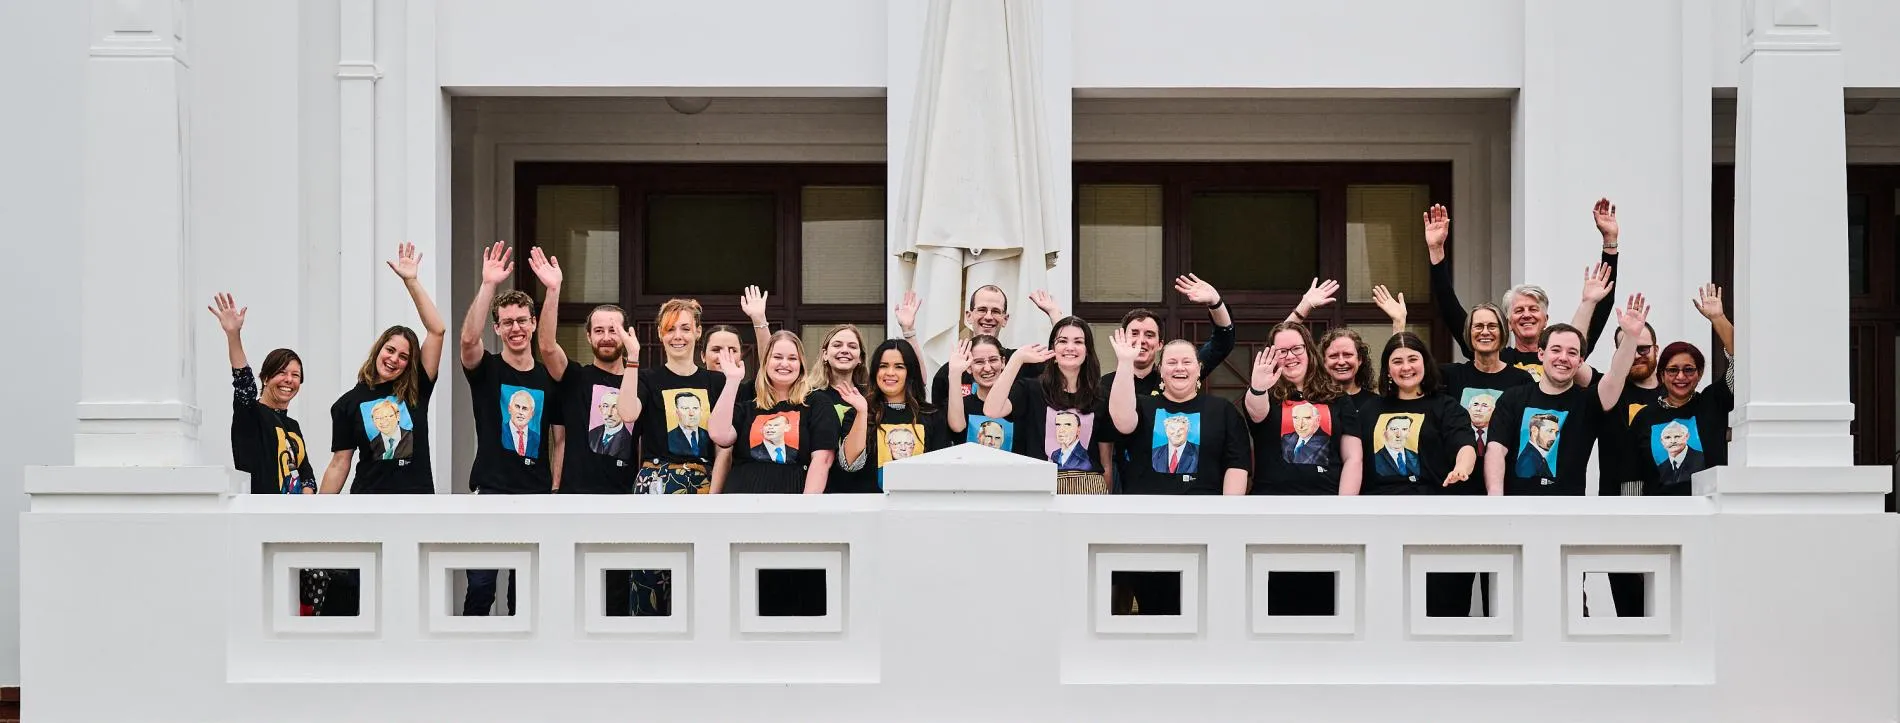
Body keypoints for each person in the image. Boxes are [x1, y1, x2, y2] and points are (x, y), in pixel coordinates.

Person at [211, 293, 357, 616]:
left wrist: (307, 490)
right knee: (283, 590)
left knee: (330, 579)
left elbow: (304, 471)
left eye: (296, 376)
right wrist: (233, 335)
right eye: (282, 373)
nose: (289, 381)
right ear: (266, 377)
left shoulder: (292, 425)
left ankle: (307, 632)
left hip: (295, 521)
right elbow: (243, 384)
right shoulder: (252, 414)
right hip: (264, 518)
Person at [458, 242, 564, 617]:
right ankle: (473, 665)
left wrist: (553, 290)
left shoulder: (548, 375)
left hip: (536, 496)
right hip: (490, 493)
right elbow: (468, 340)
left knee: (528, 595)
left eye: (523, 320)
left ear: (533, 323)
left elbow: (559, 438)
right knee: (481, 588)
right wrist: (488, 285)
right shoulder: (485, 369)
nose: (516, 328)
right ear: (498, 328)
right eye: (508, 322)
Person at [1424, 202, 1621, 381]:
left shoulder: (1562, 356)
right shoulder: (1496, 357)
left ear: (1546, 319)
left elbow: (1600, 305)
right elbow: (1450, 309)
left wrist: (1610, 243)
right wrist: (1436, 251)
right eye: (1519, 311)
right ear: (1508, 323)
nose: (1526, 315)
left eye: (1533, 309)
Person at [1484, 295, 1650, 496]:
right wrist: (1496, 501)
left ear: (1580, 361)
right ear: (1541, 354)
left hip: (1570, 514)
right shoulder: (1513, 398)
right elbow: (1496, 450)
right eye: (1556, 350)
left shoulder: (1588, 402)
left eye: (1572, 353)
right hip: (1517, 511)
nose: (1563, 358)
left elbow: (1616, 375)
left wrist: (1631, 337)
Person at [321, 243, 447, 495]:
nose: (393, 359)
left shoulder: (417, 388)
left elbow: (437, 330)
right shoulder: (348, 403)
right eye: (390, 350)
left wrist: (411, 281)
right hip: (368, 504)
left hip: (416, 501)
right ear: (379, 349)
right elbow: (339, 464)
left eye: (403, 356)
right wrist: (316, 518)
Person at [528, 248, 639, 497]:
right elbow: (546, 346)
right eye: (599, 331)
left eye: (614, 330)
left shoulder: (640, 382)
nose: (607, 338)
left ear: (628, 335)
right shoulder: (575, 377)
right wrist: (553, 290)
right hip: (576, 498)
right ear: (588, 336)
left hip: (627, 499)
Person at [1108, 333, 1251, 495]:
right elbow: (1122, 421)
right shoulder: (1141, 405)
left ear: (1198, 369)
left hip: (1204, 511)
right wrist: (1125, 362)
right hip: (1148, 510)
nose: (1179, 367)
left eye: (1187, 362)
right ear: (1160, 370)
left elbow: (1237, 464)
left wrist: (1227, 512)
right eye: (1172, 362)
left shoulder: (1222, 410)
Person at [986, 317, 1114, 494]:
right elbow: (991, 410)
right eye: (1062, 341)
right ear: (1053, 349)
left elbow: (1105, 459)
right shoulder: (1031, 388)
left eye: (1078, 341)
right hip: (1039, 483)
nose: (1070, 347)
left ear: (1087, 351)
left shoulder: (1101, 394)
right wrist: (1017, 360)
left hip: (1089, 485)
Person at [1630, 283, 1736, 496]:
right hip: (1659, 517)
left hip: (1710, 513)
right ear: (1661, 375)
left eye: (1689, 370)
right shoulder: (1645, 417)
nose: (1680, 377)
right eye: (1672, 370)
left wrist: (1718, 319)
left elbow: (1743, 363)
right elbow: (1634, 475)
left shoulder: (1712, 402)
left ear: (1699, 374)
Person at [708, 331, 839, 494]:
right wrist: (732, 380)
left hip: (792, 500)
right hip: (742, 501)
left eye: (792, 358)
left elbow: (823, 459)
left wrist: (807, 508)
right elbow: (719, 435)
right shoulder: (748, 406)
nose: (784, 363)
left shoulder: (816, 403)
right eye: (777, 357)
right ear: (766, 362)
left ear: (801, 365)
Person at [620, 298, 728, 495]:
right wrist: (633, 357)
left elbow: (723, 446)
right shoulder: (647, 378)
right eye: (670, 329)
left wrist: (715, 495)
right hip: (657, 482)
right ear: (661, 334)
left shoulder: (716, 382)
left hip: (705, 483)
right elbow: (627, 414)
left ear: (698, 331)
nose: (678, 336)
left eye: (685, 328)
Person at [1245, 322, 1362, 498]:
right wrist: (1258, 387)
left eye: (1297, 349)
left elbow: (1353, 458)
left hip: (1326, 500)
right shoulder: (1265, 394)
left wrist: (1343, 506)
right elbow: (1256, 413)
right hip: (1271, 501)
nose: (1290, 356)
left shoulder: (1338, 397)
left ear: (1309, 351)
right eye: (1282, 352)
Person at [1097, 274, 1238, 399]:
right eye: (1134, 333)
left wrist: (1215, 303)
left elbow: (1222, 343)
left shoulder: (1175, 376)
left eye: (1149, 335)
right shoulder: (1104, 386)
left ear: (1160, 344)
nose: (1141, 341)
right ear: (1122, 339)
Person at [849, 339, 960, 488]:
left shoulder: (932, 415)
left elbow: (941, 471)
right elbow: (849, 464)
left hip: (918, 505)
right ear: (875, 371)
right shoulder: (859, 412)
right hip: (869, 506)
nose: (890, 373)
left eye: (899, 367)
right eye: (883, 366)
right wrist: (862, 412)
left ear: (910, 373)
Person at [929, 285, 1066, 405]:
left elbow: (1063, 368)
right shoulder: (950, 372)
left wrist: (1055, 315)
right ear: (969, 316)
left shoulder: (1021, 362)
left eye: (995, 311)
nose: (988, 316)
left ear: (1005, 319)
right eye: (982, 310)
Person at [804, 324, 879, 494]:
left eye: (852, 346)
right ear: (825, 354)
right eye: (837, 345)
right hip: (820, 491)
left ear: (860, 357)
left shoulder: (872, 398)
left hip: (864, 492)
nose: (844, 350)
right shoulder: (807, 396)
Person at [701, 324, 748, 492]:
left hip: (737, 484)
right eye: (716, 349)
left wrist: (759, 320)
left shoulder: (749, 393)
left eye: (732, 350)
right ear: (703, 356)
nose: (725, 355)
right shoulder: (690, 389)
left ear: (741, 355)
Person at [957, 334, 1015, 452]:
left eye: (993, 360)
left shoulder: (1018, 402)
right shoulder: (961, 406)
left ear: (1003, 362)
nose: (987, 368)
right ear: (969, 367)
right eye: (979, 362)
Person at [1316, 328, 1375, 414]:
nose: (1341, 362)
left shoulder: (1375, 403)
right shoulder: (1315, 404)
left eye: (1348, 355)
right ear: (1324, 362)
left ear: (1359, 359)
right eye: (1333, 356)